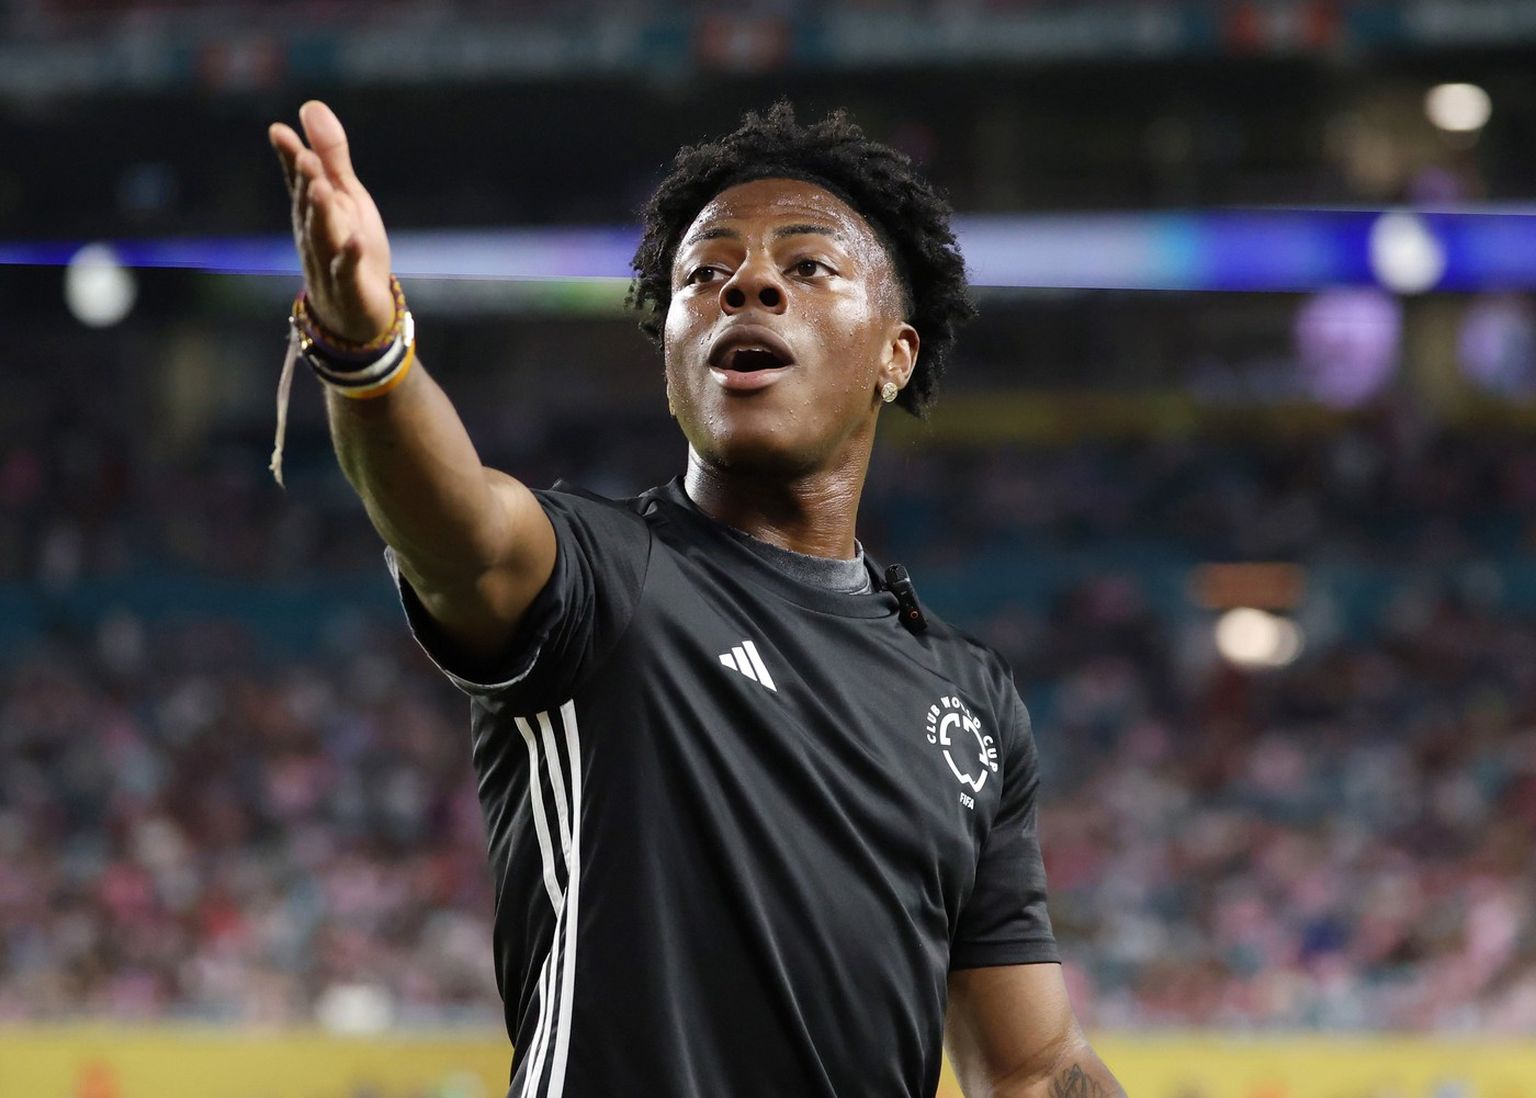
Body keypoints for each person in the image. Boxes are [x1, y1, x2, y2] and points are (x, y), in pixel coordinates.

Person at [269, 98, 1126, 1098]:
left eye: (809, 266)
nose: (747, 283)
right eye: (704, 274)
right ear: (672, 353)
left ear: (896, 355)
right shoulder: (605, 576)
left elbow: (1033, 1066)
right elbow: (456, 530)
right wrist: (367, 350)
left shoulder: (970, 700)